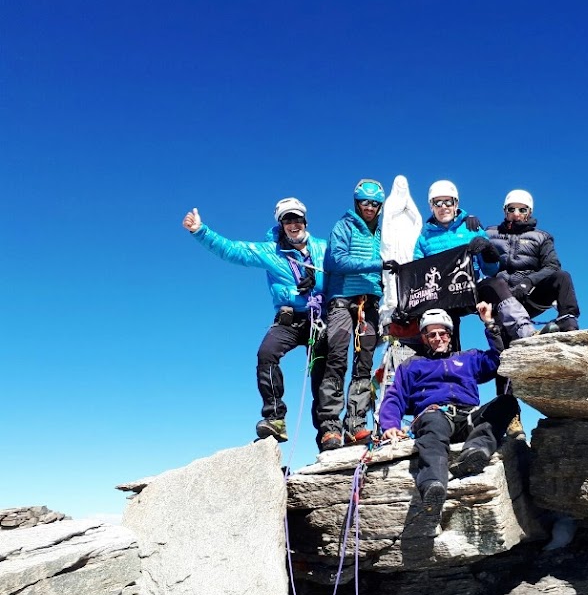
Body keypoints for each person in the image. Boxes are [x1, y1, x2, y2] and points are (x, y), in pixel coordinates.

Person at [182, 198, 327, 443]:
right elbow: (231, 250)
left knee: (323, 374)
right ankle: (275, 419)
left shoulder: (324, 248)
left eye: (297, 218)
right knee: (267, 354)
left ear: (305, 221)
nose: (294, 224)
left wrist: (320, 287)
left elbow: (343, 272)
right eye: (287, 220)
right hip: (289, 319)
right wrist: (200, 230)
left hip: (320, 320)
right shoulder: (270, 252)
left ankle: (327, 433)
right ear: (281, 225)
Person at [379, 305, 520, 517]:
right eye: (431, 334)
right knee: (434, 424)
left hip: (468, 416)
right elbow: (395, 395)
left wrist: (489, 324)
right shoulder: (412, 365)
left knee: (506, 403)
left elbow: (499, 359)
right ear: (424, 338)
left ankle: (475, 451)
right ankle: (432, 485)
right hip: (434, 414)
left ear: (449, 335)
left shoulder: (468, 358)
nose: (438, 338)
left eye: (442, 333)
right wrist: (390, 425)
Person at [319, 179, 400, 451]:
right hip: (342, 300)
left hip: (371, 304)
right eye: (365, 202)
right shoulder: (343, 226)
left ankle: (355, 423)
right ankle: (330, 426)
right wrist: (378, 263)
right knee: (337, 358)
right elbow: (335, 260)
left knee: (364, 363)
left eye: (375, 203)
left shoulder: (384, 231)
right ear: (357, 202)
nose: (370, 207)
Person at [414, 180, 536, 342]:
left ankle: (524, 331)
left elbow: (490, 270)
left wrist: (488, 250)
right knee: (441, 321)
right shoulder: (424, 238)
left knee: (496, 284)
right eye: (438, 202)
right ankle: (448, 361)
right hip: (442, 295)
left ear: (455, 203)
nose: (444, 207)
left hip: (471, 288)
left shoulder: (471, 228)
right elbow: (417, 273)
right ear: (431, 206)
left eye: (448, 201)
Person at [486, 189, 581, 333]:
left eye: (522, 209)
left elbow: (552, 266)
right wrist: (469, 222)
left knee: (562, 277)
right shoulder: (489, 234)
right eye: (512, 209)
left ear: (529, 212)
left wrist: (527, 283)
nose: (516, 213)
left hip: (530, 297)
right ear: (505, 211)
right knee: (505, 345)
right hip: (501, 300)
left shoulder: (541, 237)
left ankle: (567, 319)